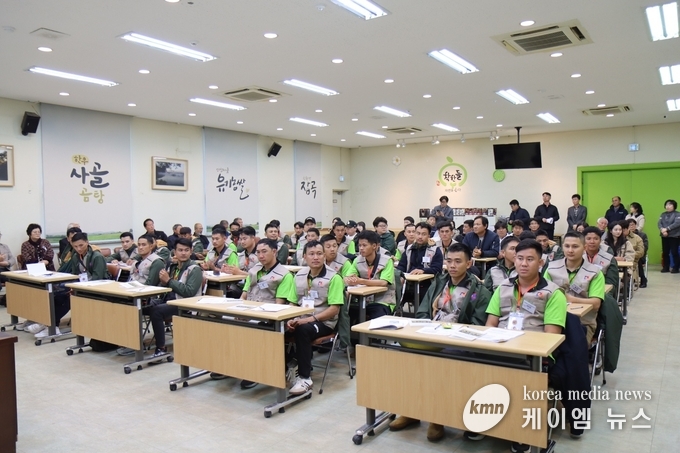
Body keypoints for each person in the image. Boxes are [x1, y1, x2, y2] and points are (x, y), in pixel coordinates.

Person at [390, 243, 491, 441]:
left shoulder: (479, 290)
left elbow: (477, 325)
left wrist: (452, 334)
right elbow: (423, 311)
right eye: (449, 261)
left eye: (458, 261)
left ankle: (437, 418)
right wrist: (424, 329)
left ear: (469, 263)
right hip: (432, 335)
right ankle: (411, 411)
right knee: (404, 355)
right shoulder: (439, 282)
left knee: (441, 363)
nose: (452, 265)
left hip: (457, 341)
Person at [237, 238, 298, 388]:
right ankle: (232, 366)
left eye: (264, 251)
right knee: (226, 323)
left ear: (274, 252)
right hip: (249, 312)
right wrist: (238, 310)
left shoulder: (284, 275)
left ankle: (255, 370)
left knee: (255, 329)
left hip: (269, 317)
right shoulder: (254, 270)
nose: (261, 255)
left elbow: (279, 305)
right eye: (258, 252)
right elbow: (244, 295)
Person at [287, 240, 345, 395]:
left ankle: (305, 378)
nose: (316, 257)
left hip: (324, 322)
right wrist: (290, 318)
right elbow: (292, 302)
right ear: (304, 257)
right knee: (277, 327)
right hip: (300, 318)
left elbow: (334, 309)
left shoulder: (334, 277)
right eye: (311, 254)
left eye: (319, 254)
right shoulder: (299, 275)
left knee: (303, 330)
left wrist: (308, 319)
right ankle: (289, 364)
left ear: (324, 256)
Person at [544, 231, 605, 344]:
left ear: (584, 248)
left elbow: (596, 304)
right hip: (552, 319)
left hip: (583, 322)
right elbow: (542, 294)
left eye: (575, 246)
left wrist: (571, 299)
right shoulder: (551, 268)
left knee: (570, 345)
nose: (570, 250)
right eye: (567, 246)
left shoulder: (595, 272)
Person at [148, 238, 203, 360]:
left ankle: (161, 348)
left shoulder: (195, 269)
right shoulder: (173, 267)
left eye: (186, 250)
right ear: (174, 252)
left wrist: (168, 281)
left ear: (191, 251)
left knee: (156, 311)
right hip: (168, 299)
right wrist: (163, 282)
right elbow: (165, 285)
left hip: (185, 304)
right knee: (145, 306)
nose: (183, 253)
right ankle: (134, 343)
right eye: (180, 250)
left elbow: (189, 292)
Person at [345, 230, 396, 320]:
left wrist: (361, 281)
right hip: (361, 300)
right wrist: (350, 280)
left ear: (374, 246)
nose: (361, 248)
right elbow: (347, 277)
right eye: (359, 245)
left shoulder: (387, 261)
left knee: (376, 317)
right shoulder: (357, 260)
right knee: (346, 313)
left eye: (364, 245)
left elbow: (383, 282)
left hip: (382, 300)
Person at [397, 223, 443, 305]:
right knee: (395, 290)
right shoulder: (409, 249)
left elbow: (437, 269)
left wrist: (423, 270)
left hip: (427, 283)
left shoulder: (435, 250)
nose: (420, 236)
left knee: (424, 295)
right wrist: (399, 275)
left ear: (429, 236)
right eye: (418, 233)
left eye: (423, 234)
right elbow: (401, 266)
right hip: (408, 282)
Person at [658, 199, 680, 273]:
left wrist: (667, 229)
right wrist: (662, 230)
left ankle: (676, 268)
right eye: (666, 205)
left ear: (674, 206)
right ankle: (666, 267)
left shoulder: (677, 214)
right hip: (664, 235)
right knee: (665, 252)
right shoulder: (663, 214)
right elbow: (659, 223)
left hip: (674, 236)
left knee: (674, 252)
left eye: (670, 205)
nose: (668, 206)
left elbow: (677, 223)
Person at [622, 221, 644, 285]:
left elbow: (640, 253)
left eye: (623, 230)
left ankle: (627, 286)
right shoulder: (616, 238)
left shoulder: (637, 238)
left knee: (627, 271)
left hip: (632, 262)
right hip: (618, 261)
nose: (620, 232)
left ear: (628, 228)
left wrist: (627, 256)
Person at [628, 219, 648, 287]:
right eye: (629, 225)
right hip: (629, 256)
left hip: (640, 255)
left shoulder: (642, 235)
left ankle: (642, 279)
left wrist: (634, 254)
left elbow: (645, 247)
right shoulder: (625, 236)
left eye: (632, 225)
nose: (631, 227)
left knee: (638, 259)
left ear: (636, 225)